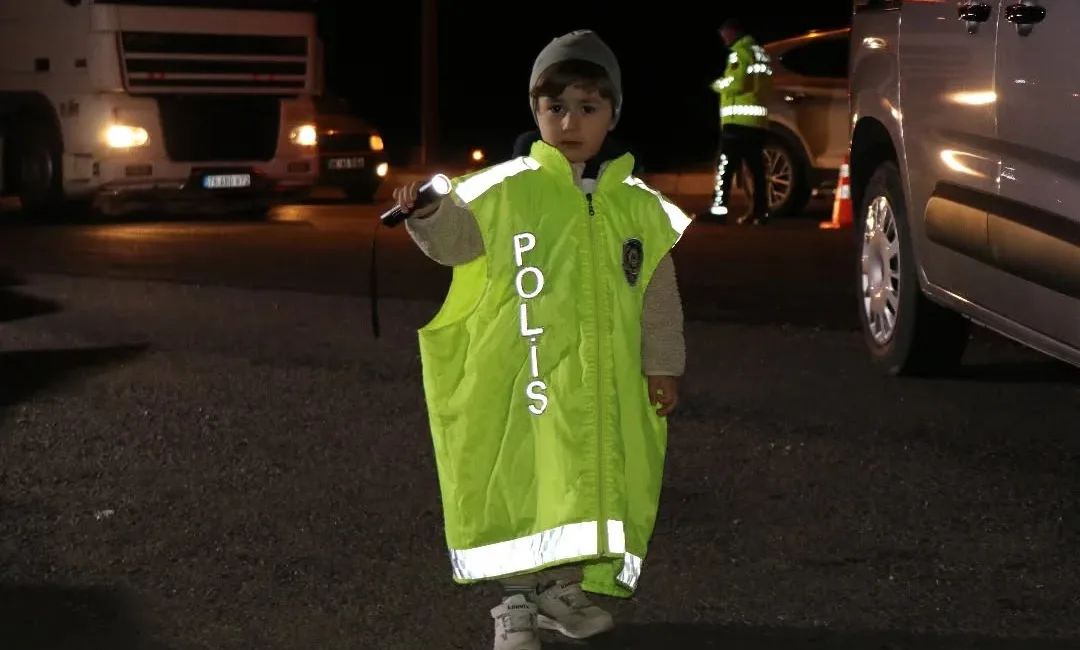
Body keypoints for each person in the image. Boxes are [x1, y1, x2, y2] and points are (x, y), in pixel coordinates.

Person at [392, 29, 692, 650]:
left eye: (588, 107)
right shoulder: (503, 190)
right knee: (522, 487)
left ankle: (560, 593)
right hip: (521, 380)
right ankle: (514, 605)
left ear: (614, 114)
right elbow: (455, 244)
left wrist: (663, 364)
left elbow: (658, 295)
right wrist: (427, 216)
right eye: (555, 108)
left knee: (583, 483)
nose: (570, 122)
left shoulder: (640, 208)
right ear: (535, 112)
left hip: (601, 389)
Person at [709, 17, 774, 225]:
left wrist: (718, 84)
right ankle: (760, 212)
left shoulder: (740, 53)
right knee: (756, 170)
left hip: (738, 122)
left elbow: (737, 83)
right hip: (757, 122)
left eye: (724, 34)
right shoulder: (760, 52)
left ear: (733, 32)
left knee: (725, 166)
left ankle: (718, 212)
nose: (723, 38)